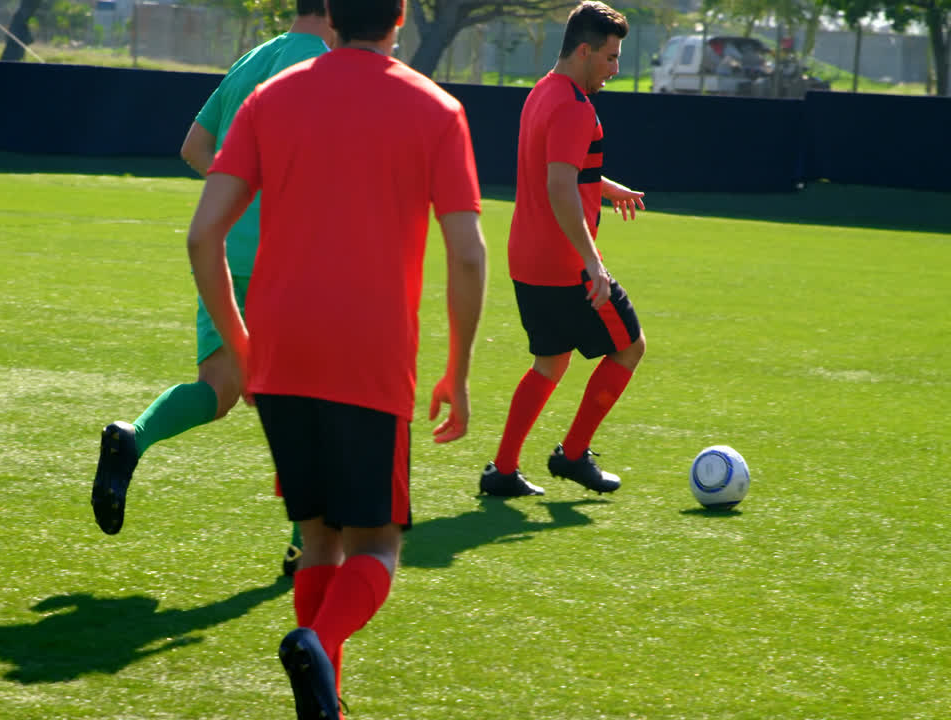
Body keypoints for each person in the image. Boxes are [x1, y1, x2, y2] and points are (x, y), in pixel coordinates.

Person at [185, 0, 487, 715]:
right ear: (400, 17)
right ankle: (317, 644)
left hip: (281, 352)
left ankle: (325, 701)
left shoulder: (271, 98)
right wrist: (459, 373)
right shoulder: (436, 109)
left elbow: (203, 237)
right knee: (377, 546)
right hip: (370, 355)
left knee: (316, 537)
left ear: (332, 14)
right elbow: (468, 257)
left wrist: (240, 345)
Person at [90, 2, 335, 577]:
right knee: (312, 399)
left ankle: (135, 435)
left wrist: (241, 187)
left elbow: (193, 148)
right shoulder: (326, 67)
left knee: (220, 387)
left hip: (223, 248)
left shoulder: (256, 57)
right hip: (287, 260)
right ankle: (307, 544)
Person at [479, 0, 647, 499]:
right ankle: (572, 455)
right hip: (564, 264)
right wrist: (593, 263)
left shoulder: (543, 92)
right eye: (610, 57)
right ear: (582, 50)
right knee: (630, 346)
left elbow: (563, 170)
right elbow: (559, 187)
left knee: (549, 363)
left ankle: (503, 471)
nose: (615, 69)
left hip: (527, 257)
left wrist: (605, 188)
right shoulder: (575, 106)